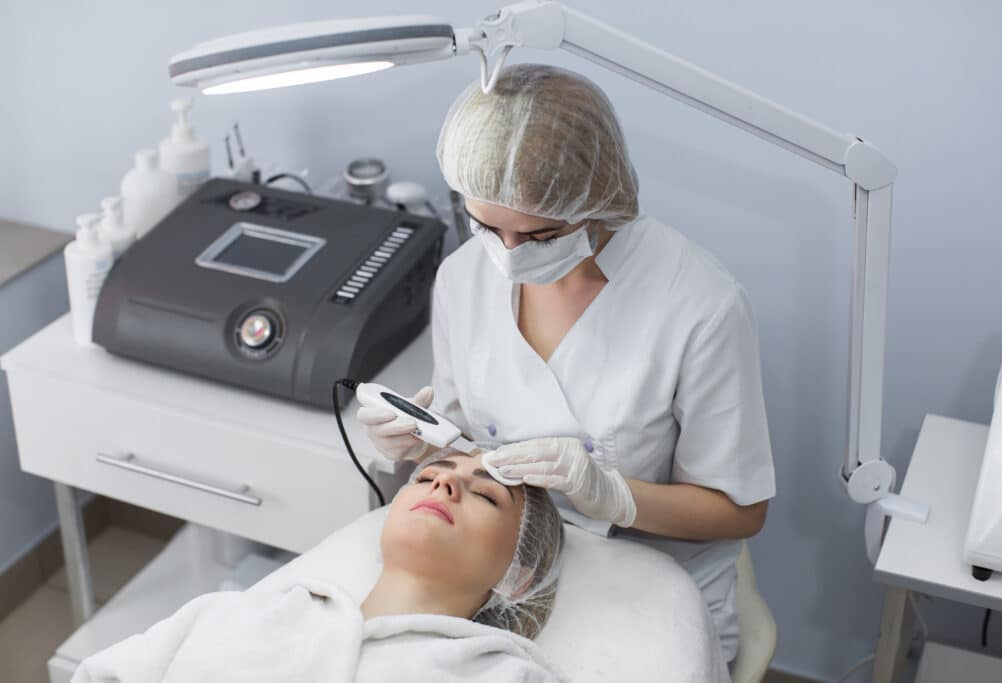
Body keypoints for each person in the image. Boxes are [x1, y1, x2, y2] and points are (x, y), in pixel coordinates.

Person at [357, 63, 776, 662]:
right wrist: (420, 444)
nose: (508, 255)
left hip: (644, 589)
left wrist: (613, 496)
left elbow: (743, 510)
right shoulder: (463, 277)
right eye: (485, 226)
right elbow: (467, 444)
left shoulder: (701, 307)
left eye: (541, 235)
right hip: (493, 574)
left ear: (599, 200)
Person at [72, 451, 566, 682]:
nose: (444, 486)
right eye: (430, 475)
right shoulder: (239, 614)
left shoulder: (503, 676)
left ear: (518, 575)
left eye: (484, 494)